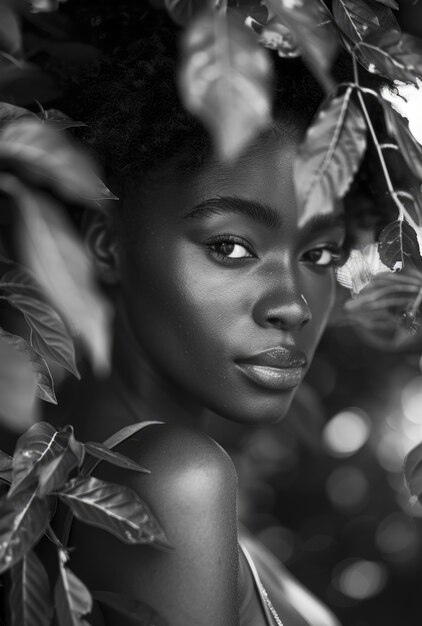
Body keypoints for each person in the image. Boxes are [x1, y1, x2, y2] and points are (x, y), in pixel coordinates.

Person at [47, 3, 387, 625]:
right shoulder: (175, 479)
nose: (292, 304)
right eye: (230, 246)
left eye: (319, 252)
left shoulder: (74, 469)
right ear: (105, 241)